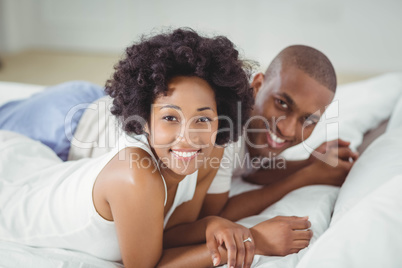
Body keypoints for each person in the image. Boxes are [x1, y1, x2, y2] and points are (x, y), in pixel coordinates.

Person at [0, 28, 312, 268]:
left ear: (222, 120)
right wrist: (253, 240)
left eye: (202, 119)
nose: (188, 137)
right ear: (144, 122)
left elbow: (172, 231)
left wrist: (213, 224)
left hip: (38, 166)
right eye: (170, 118)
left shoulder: (209, 154)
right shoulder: (136, 175)